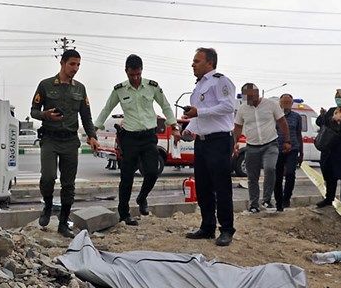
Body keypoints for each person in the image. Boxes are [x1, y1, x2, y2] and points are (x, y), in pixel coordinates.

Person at [93, 54, 180, 225]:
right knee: (126, 177)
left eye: (138, 74)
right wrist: (93, 130)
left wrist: (175, 127)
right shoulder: (119, 90)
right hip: (130, 138)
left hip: (148, 136)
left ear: (141, 71)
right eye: (132, 75)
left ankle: (142, 197)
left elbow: (166, 106)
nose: (135, 78)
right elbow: (106, 109)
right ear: (126, 72)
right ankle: (124, 213)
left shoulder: (152, 86)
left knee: (152, 172)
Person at [31, 49, 100, 237]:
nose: (75, 68)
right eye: (72, 64)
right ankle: (47, 205)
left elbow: (86, 116)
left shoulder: (80, 88)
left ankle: (63, 223)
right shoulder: (45, 85)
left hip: (70, 141)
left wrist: (92, 136)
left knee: (68, 185)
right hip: (50, 139)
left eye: (78, 65)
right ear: (62, 63)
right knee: (48, 177)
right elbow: (34, 110)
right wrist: (46, 115)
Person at [181, 47, 237, 246]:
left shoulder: (220, 81)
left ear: (210, 63)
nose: (193, 64)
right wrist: (189, 129)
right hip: (202, 141)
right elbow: (199, 115)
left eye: (197, 61)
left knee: (221, 187)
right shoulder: (198, 86)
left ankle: (227, 229)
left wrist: (200, 112)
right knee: (203, 186)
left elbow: (230, 106)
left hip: (219, 141)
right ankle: (207, 227)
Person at [232, 83, 291, 213]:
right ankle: (254, 205)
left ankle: (267, 200)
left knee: (270, 168)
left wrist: (287, 140)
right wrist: (234, 144)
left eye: (252, 97)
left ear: (258, 94)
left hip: (270, 144)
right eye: (247, 98)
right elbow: (237, 127)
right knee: (252, 177)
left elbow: (282, 122)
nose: (250, 100)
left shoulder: (271, 104)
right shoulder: (243, 109)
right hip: (252, 146)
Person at [274, 93, 303, 211]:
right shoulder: (274, 116)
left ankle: (287, 199)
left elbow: (299, 134)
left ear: (291, 104)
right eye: (284, 102)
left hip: (293, 148)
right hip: (277, 148)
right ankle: (278, 201)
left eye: (288, 102)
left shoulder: (297, 117)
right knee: (278, 176)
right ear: (280, 103)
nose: (286, 104)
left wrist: (301, 152)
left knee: (290, 173)